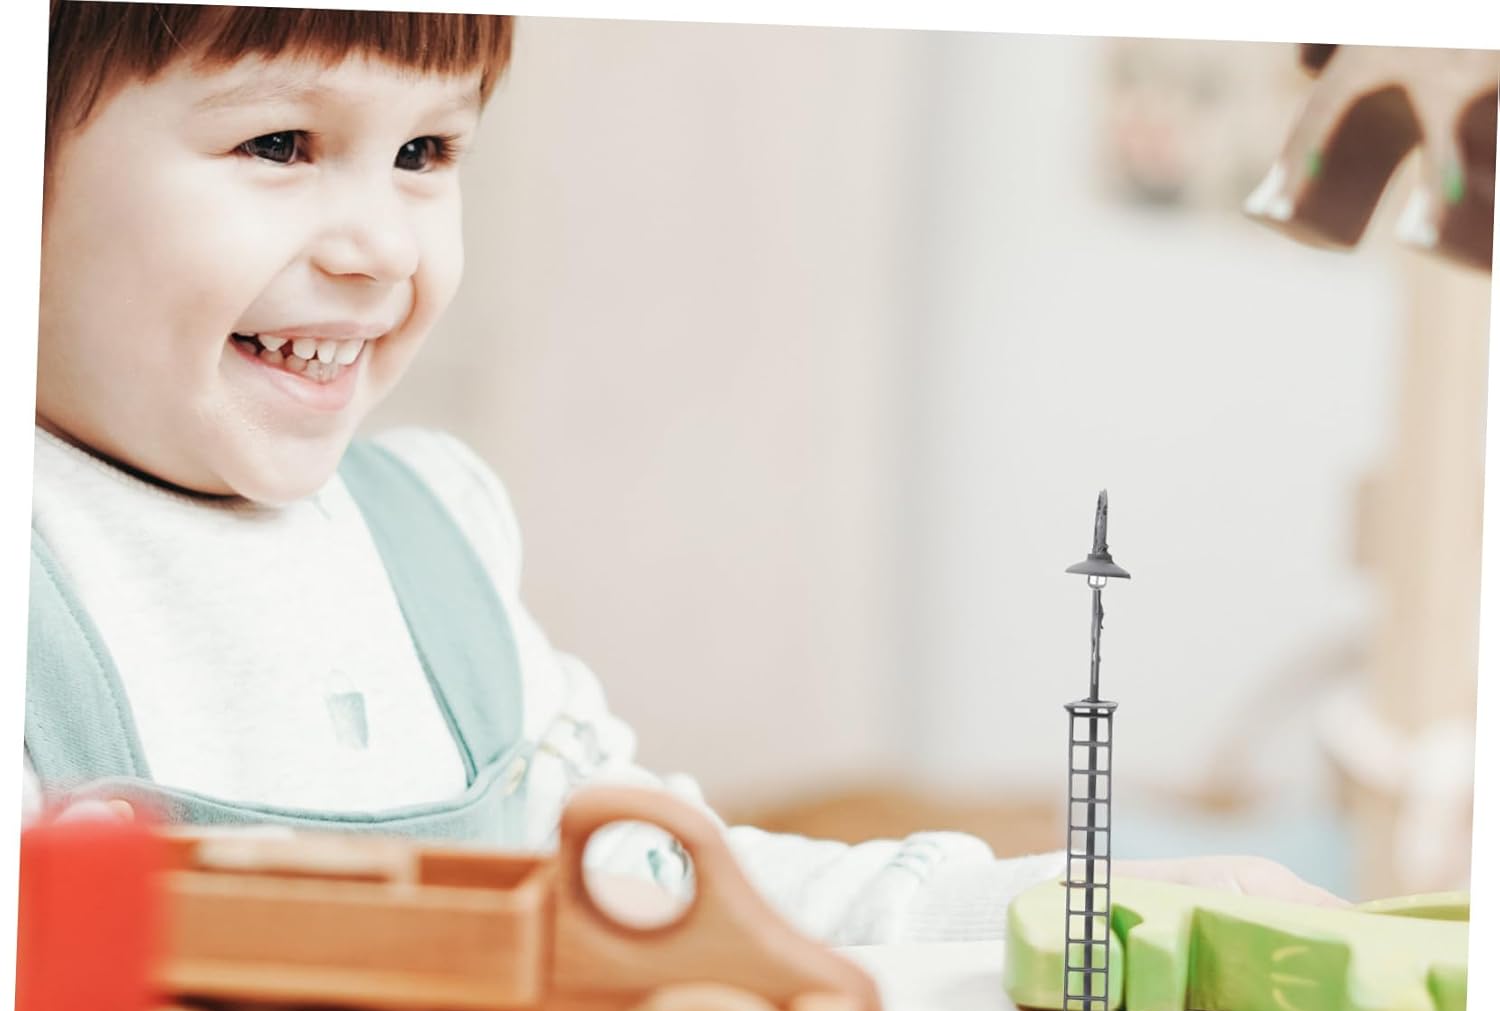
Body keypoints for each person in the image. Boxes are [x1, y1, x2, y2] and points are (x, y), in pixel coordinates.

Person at [28, 3, 1340, 949]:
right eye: (279, 144)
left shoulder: (437, 537)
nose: (380, 248)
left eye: (426, 154)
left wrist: (1064, 904)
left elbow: (669, 894)